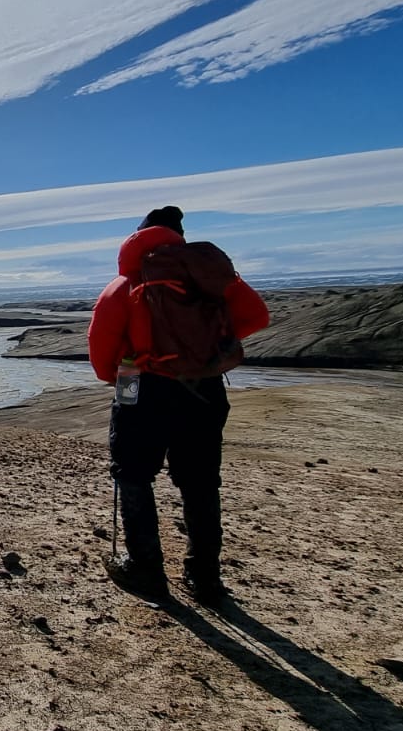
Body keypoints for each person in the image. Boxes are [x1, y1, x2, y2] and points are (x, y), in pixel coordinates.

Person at [86, 206, 270, 604]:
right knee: (201, 480)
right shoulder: (212, 277)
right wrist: (201, 348)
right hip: (204, 388)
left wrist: (130, 368)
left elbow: (102, 353)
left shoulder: (124, 284)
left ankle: (146, 570)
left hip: (142, 388)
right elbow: (257, 315)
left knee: (133, 473)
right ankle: (205, 579)